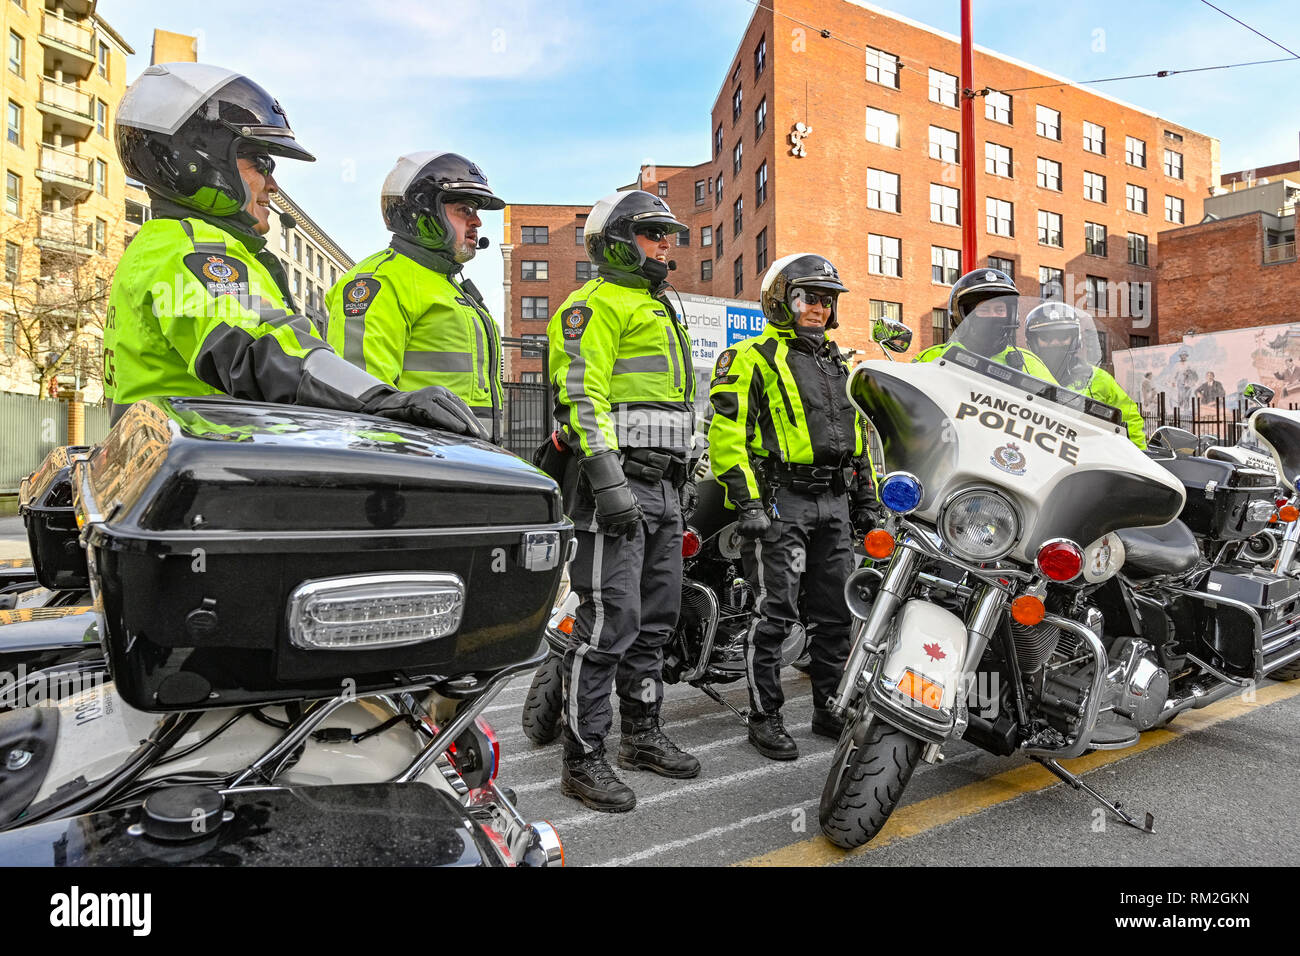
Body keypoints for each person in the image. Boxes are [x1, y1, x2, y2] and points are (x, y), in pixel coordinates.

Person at [104, 63, 483, 438]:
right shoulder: (189, 247)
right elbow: (261, 347)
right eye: (261, 164)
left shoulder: (167, 245)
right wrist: (379, 399)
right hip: (206, 478)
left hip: (189, 468)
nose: (273, 185)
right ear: (197, 161)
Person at [547, 189, 700, 812]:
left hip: (664, 488)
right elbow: (582, 400)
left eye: (669, 234)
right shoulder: (593, 305)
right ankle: (582, 760)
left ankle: (640, 736)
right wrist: (609, 486)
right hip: (620, 486)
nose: (667, 244)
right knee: (609, 623)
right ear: (617, 239)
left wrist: (685, 477)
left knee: (656, 623)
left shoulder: (663, 308)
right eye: (653, 233)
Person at [707, 253, 876, 760]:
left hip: (835, 502)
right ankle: (765, 717)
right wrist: (748, 504)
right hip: (782, 500)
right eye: (807, 297)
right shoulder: (750, 357)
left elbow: (859, 438)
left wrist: (865, 497)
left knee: (835, 615)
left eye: (826, 299)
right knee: (774, 613)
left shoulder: (839, 363)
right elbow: (726, 436)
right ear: (782, 300)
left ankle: (829, 708)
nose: (818, 307)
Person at [326, 152, 504, 442]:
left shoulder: (447, 284)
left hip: (468, 464)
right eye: (464, 210)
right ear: (424, 212)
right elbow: (357, 400)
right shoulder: (380, 281)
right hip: (417, 468)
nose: (478, 222)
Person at [1023, 301, 1147, 448]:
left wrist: (1135, 457)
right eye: (1047, 338)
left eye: (1063, 337)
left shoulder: (1098, 377)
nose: (1055, 343)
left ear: (1076, 339)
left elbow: (1130, 419)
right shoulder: (1022, 373)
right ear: (1033, 341)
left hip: (1088, 459)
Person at [913, 268, 1056, 381]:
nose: (993, 316)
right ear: (963, 315)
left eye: (999, 310)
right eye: (984, 309)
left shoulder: (1030, 363)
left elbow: (1059, 411)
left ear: (1011, 316)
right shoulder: (931, 358)